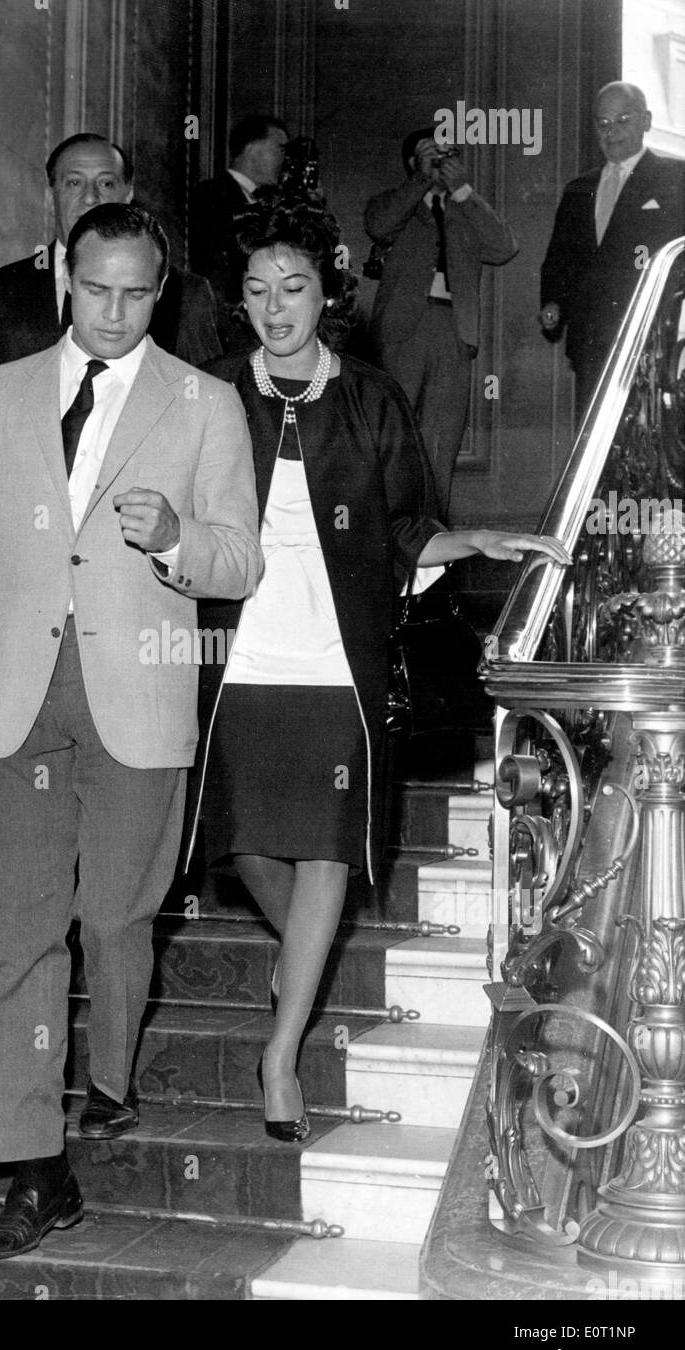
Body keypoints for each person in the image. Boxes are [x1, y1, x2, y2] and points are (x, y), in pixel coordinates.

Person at [0, 204, 262, 1258]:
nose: (113, 312)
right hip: (13, 698)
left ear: (162, 291)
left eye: (136, 292)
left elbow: (240, 560)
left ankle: (107, 1075)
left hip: (138, 695)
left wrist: (176, 542)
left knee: (115, 919)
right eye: (96, 287)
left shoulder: (205, 402)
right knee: (24, 933)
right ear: (66, 276)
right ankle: (34, 1167)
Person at [188, 201, 570, 1140]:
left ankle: (280, 1057)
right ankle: (308, 959)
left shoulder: (369, 395)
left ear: (327, 294)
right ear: (238, 299)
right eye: (257, 290)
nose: (276, 309)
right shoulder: (204, 395)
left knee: (324, 847)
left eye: (295, 289)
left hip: (333, 655)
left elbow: (403, 525)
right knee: (239, 845)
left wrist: (471, 536)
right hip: (231, 657)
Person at [0, 132, 221, 369]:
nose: (90, 198)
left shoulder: (186, 294)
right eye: (74, 183)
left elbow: (205, 392)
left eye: (106, 183)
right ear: (49, 194)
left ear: (129, 192)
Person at [365, 126, 518, 519]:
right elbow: (378, 225)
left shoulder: (465, 208)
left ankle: (433, 537)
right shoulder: (397, 204)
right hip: (404, 331)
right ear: (411, 163)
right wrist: (421, 181)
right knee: (393, 437)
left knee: (441, 440)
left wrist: (464, 191)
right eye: (428, 153)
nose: (439, 159)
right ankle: (388, 534)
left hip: (454, 331)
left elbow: (504, 247)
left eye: (445, 153)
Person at [540, 82, 685, 419]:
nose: (612, 132)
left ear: (646, 121)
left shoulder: (677, 179)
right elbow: (560, 259)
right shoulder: (579, 190)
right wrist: (553, 301)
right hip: (590, 342)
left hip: (652, 339)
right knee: (593, 439)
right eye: (603, 124)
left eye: (622, 120)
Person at [189, 114, 289, 346]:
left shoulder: (272, 202)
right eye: (280, 149)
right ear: (253, 149)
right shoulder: (210, 195)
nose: (285, 159)